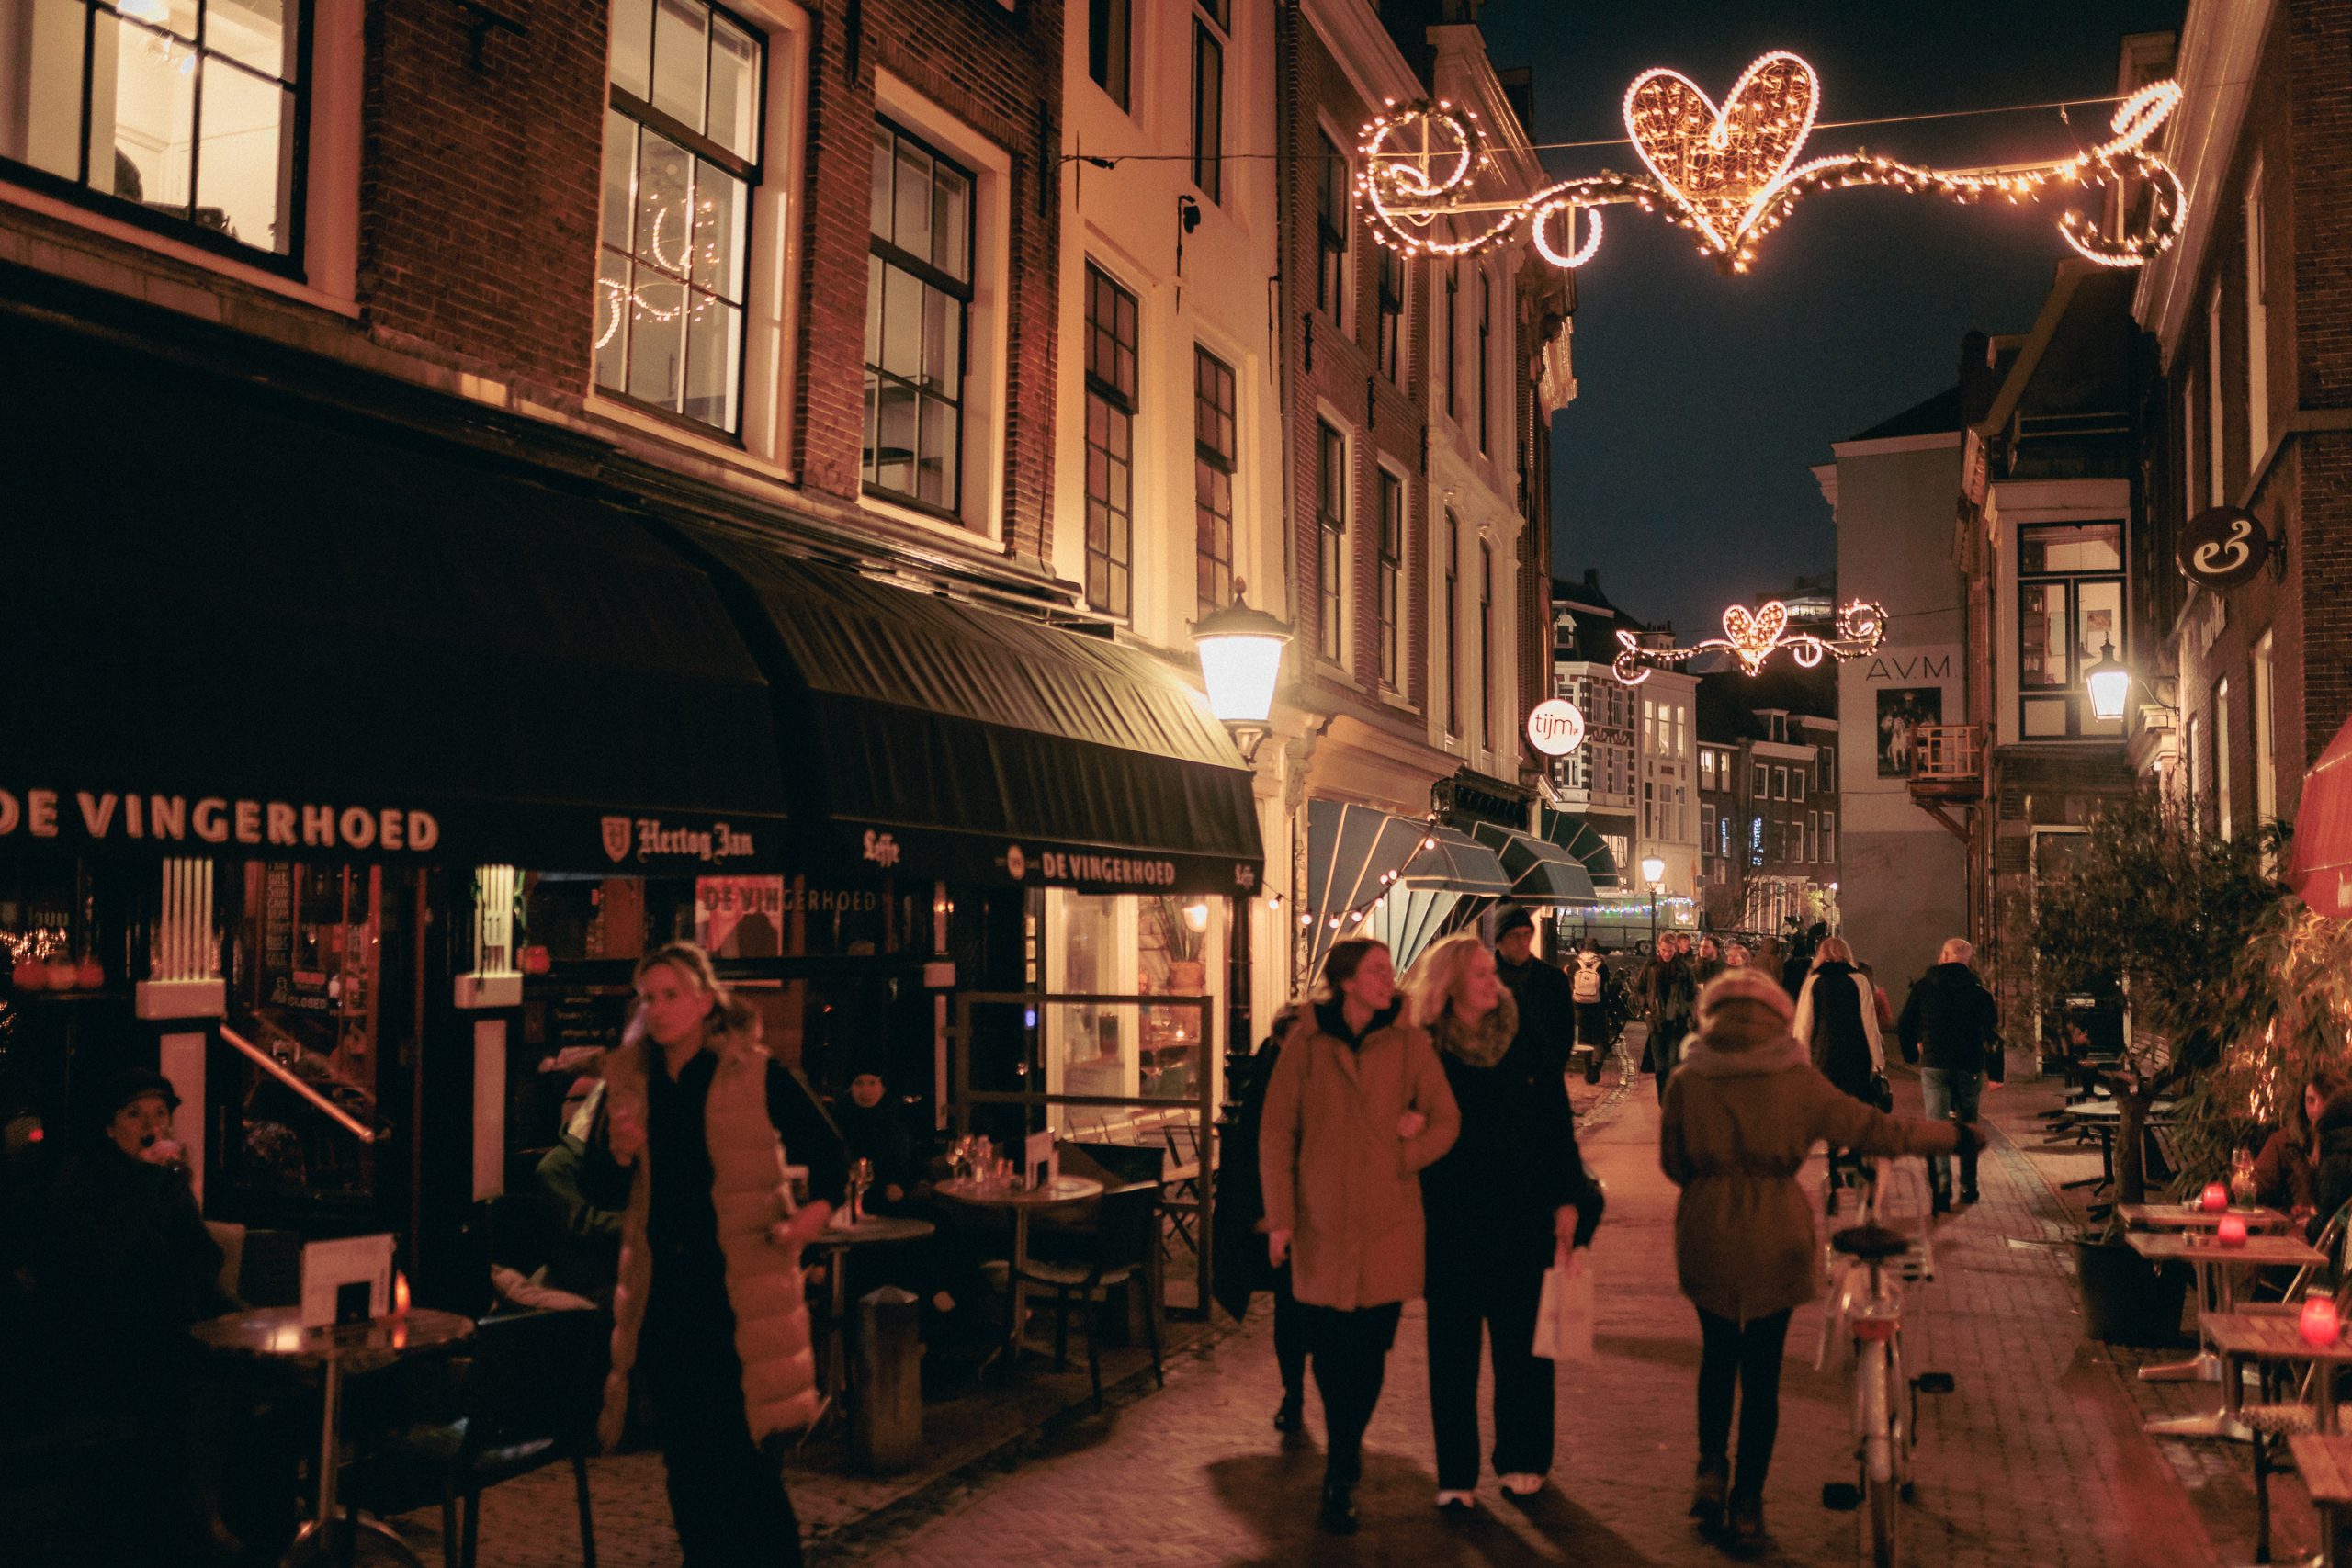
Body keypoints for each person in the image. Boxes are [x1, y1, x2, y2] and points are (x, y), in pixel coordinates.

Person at [1661, 970, 1977, 1551]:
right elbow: (1876, 1129)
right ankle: (1749, 1504)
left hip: (1706, 1228)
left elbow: (1673, 1164)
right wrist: (1954, 1138)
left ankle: (1710, 1472)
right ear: (1778, 1016)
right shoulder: (1796, 1079)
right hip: (1776, 1231)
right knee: (1761, 1376)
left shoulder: (1688, 1079)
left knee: (1716, 1358)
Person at [579, 942, 848, 1568]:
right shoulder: (628, 1081)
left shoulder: (749, 1070)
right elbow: (597, 1189)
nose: (660, 1008)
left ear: (705, 1000)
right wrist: (618, 1151)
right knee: (686, 1461)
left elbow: (829, 1151)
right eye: (649, 997)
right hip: (666, 1297)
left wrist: (804, 1223)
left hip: (739, 1296)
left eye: (673, 994)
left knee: (746, 1460)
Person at [1261, 938, 1461, 1534]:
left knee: (1370, 1350)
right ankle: (1341, 1459)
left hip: (1387, 1225)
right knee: (1327, 1349)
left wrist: (1409, 1152)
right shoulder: (1306, 1042)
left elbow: (1447, 1117)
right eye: (1375, 970)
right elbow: (1276, 1134)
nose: (1388, 978)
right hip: (1321, 1224)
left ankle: (1342, 1457)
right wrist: (1280, 1216)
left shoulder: (1409, 1040)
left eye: (1388, 969)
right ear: (1346, 980)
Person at [1408, 934, 1604, 1513]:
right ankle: (1455, 1473)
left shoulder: (1523, 1039)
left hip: (1522, 1213)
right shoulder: (1423, 1050)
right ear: (1449, 985)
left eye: (1492, 974)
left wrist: (1567, 1197)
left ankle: (1523, 1459)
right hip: (1450, 1214)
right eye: (1480, 976)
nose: (1493, 984)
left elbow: (1553, 1124)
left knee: (1524, 1350)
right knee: (1452, 1351)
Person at [37, 1068, 243, 1562]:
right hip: (102, 1333)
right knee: (197, 1377)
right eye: (135, 1115)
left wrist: (177, 1189)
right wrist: (154, 1187)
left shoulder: (168, 1178)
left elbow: (204, 1255)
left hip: (169, 1322)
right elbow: (105, 1264)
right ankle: (200, 1516)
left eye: (160, 1114)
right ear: (111, 1128)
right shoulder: (87, 1178)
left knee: (239, 1365)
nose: (151, 1125)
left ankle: (240, 1509)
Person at [1210, 1005, 1311, 1433]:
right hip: (1288, 1216)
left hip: (1318, 1214)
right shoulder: (1266, 1086)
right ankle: (1294, 1393)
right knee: (1291, 1310)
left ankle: (1301, 1394)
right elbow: (1251, 1155)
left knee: (1308, 1311)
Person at [1896, 939, 2005, 1212]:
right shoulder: (1979, 992)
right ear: (1968, 959)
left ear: (1944, 956)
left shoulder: (1923, 987)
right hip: (1969, 1066)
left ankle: (1942, 1188)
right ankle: (1969, 1186)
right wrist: (1996, 1073)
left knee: (1937, 1126)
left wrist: (1911, 1054)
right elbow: (1992, 1034)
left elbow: (1905, 1023)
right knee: (1969, 1126)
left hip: (1934, 1064)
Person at [1491, 905, 1580, 1089]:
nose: (1522, 942)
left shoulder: (1552, 979)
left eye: (1526, 934)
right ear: (1500, 941)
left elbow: (1564, 1033)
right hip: (1498, 1083)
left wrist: (1547, 1069)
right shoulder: (1487, 978)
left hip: (1544, 1084)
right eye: (1514, 936)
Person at [2255, 1067, 2347, 1227]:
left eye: (2325, 1100)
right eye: (2310, 1100)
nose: (2317, 1109)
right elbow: (2258, 1187)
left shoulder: (2343, 1146)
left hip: (2334, 1239)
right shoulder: (2285, 1142)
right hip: (2295, 1232)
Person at [832, 1061, 921, 1209]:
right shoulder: (840, 1123)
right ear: (850, 1089)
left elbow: (912, 1161)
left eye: (872, 1083)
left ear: (883, 1088)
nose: (866, 1090)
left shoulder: (895, 1120)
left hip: (896, 1199)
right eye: (859, 1083)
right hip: (853, 1202)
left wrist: (902, 1186)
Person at [1639, 935, 1698, 1104]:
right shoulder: (1651, 967)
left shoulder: (1683, 968)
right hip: (1657, 1023)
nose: (1667, 954)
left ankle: (1672, 1099)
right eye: (1664, 950)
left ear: (1676, 950)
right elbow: (1640, 989)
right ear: (1659, 948)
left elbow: (1693, 993)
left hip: (1676, 1023)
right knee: (1660, 1067)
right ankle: (1663, 1101)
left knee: (1674, 1063)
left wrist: (1685, 1008)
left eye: (1670, 951)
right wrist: (1647, 1007)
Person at [1568, 938, 1614, 1085]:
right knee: (1600, 1039)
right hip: (1598, 1007)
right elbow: (1606, 985)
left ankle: (1588, 1071)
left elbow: (1570, 980)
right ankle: (1596, 1067)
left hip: (1579, 1007)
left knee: (1584, 1040)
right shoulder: (1601, 965)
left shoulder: (1576, 964)